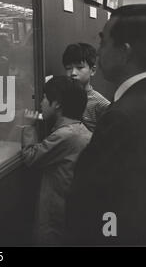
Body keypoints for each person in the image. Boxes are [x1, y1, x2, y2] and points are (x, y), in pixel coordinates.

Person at [66, 5, 146, 246]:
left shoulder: (121, 116)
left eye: (103, 43)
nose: (99, 51)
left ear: (124, 52)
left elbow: (97, 202)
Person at [21, 76, 91, 245]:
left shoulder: (65, 135)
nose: (41, 102)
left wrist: (28, 126)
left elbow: (31, 157)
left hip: (56, 213)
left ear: (57, 104)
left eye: (45, 97)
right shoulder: (80, 130)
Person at [62, 43, 110, 131]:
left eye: (79, 67)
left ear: (92, 70)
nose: (73, 73)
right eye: (68, 68)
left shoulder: (100, 104)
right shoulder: (62, 99)